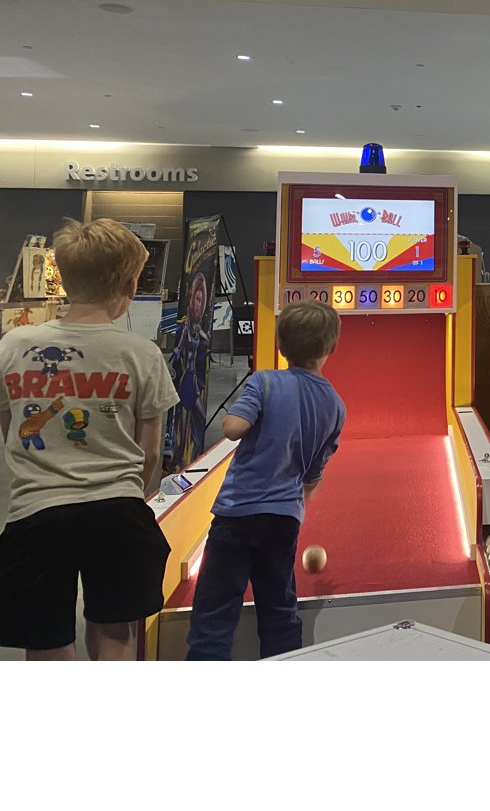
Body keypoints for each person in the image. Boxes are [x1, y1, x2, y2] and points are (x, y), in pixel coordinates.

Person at [0, 219, 177, 661]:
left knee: (46, 641)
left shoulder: (13, 345)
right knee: (115, 633)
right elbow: (149, 452)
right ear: (131, 285)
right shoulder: (142, 353)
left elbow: (11, 430)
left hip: (36, 510)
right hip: (118, 509)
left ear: (62, 278)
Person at [185, 301, 345, 660]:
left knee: (213, 615)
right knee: (279, 612)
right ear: (330, 348)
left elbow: (233, 428)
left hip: (237, 515)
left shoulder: (265, 381)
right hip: (283, 520)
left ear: (281, 345)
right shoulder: (335, 404)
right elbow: (313, 473)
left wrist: (238, 417)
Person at [164, 271, 210, 473]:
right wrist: (172, 361)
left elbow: (204, 345)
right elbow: (178, 348)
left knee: (199, 419)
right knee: (182, 434)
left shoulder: (199, 329)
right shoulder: (186, 326)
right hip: (185, 381)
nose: (198, 304)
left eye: (201, 300)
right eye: (196, 299)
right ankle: (172, 467)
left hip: (195, 381)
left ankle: (194, 460)